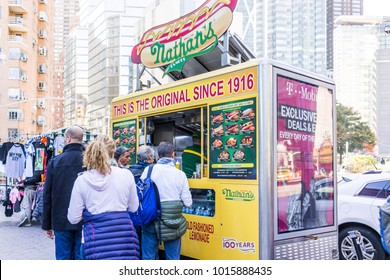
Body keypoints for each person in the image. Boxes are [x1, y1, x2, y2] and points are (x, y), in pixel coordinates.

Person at [67, 139, 140, 260]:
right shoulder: (126, 175)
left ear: (87, 157)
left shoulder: (81, 180)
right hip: (124, 239)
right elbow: (134, 207)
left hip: (95, 240)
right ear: (112, 153)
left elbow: (73, 218)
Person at [141, 141, 192, 260]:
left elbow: (141, 194)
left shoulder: (148, 171)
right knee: (173, 258)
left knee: (148, 257)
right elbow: (188, 203)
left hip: (151, 220)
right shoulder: (180, 174)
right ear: (173, 155)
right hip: (172, 223)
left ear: (158, 156)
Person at [42, 126, 85, 260]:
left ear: (68, 138)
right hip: (84, 218)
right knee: (81, 257)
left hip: (61, 218)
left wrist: (47, 224)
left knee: (63, 258)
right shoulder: (88, 161)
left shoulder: (56, 161)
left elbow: (47, 194)